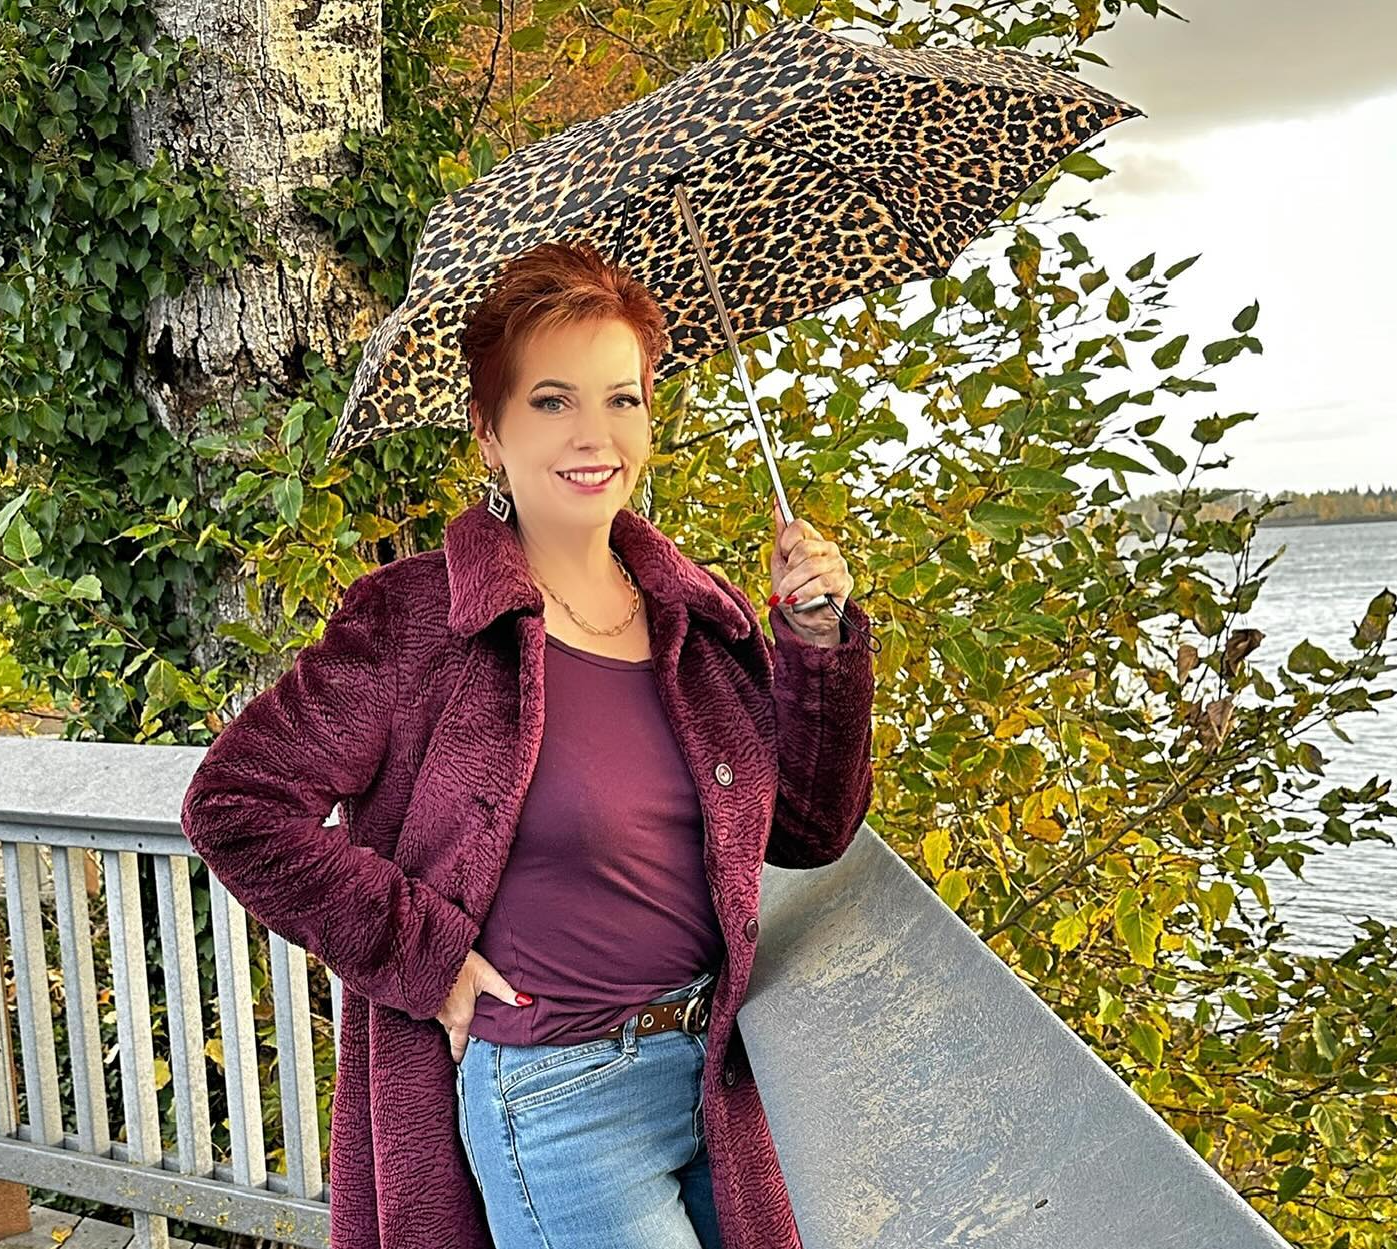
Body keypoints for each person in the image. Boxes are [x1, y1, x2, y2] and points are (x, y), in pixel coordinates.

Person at [181, 239, 876, 1249]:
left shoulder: (699, 617)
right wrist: (428, 956)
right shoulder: (413, 621)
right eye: (553, 400)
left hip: (721, 1081)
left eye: (622, 398)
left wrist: (816, 641)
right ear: (490, 433)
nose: (595, 434)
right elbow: (232, 805)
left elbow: (810, 828)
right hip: (558, 1102)